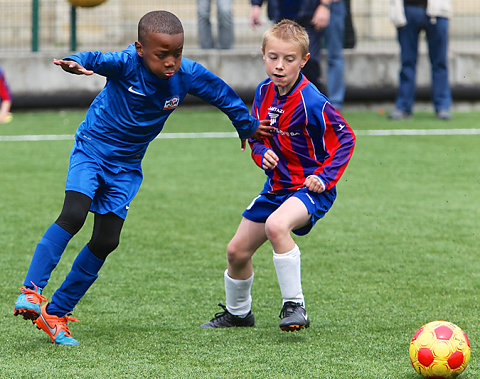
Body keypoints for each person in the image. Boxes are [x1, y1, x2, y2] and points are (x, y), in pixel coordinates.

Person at [13, 10, 274, 346]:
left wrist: (247, 126)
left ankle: (57, 312)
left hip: (126, 169)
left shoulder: (187, 74)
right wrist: (76, 63)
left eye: (176, 54)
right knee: (74, 214)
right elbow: (95, 58)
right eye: (161, 54)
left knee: (107, 241)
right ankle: (32, 291)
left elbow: (221, 93)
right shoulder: (125, 63)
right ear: (140, 48)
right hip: (92, 150)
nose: (171, 62)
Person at [201, 19, 355, 331]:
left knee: (276, 226)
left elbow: (346, 138)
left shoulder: (311, 100)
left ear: (304, 61)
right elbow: (256, 137)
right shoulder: (262, 92)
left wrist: (324, 177)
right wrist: (261, 154)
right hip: (277, 188)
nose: (280, 66)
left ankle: (295, 306)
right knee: (236, 252)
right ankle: (238, 313)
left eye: (289, 59)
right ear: (263, 55)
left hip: (311, 189)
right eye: (273, 57)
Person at [249, 0, 347, 110]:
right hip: (287, 10)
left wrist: (325, 5)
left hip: (313, 9)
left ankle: (332, 105)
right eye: (273, 58)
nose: (279, 66)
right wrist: (256, 4)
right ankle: (288, 105)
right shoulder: (263, 88)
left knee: (322, 61)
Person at [389, 0, 452, 120]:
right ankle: (403, 107)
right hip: (407, 9)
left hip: (438, 10)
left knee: (440, 63)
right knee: (407, 62)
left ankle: (443, 107)